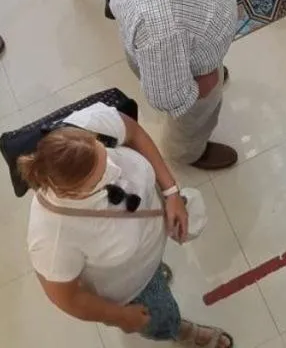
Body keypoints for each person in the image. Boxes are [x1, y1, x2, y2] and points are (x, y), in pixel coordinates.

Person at [21, 100, 232, 346]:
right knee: (161, 316)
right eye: (102, 174)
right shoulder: (52, 236)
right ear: (74, 192)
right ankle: (182, 333)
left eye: (103, 150)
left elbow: (133, 132)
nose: (116, 168)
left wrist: (171, 192)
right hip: (131, 288)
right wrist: (120, 316)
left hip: (150, 244)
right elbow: (66, 298)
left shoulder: (85, 127)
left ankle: (156, 274)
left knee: (156, 276)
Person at [107, 0, 239, 170]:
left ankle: (213, 68)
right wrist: (201, 85)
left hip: (198, 50)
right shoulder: (159, 25)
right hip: (192, 73)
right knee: (193, 119)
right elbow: (166, 94)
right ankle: (188, 153)